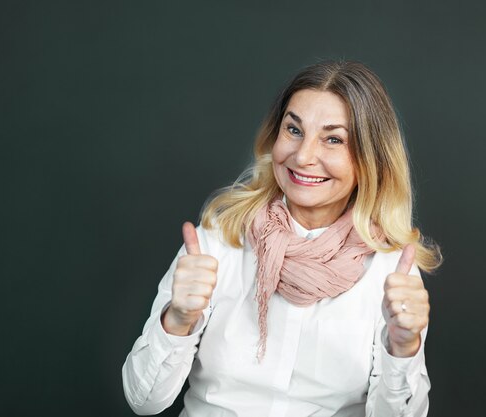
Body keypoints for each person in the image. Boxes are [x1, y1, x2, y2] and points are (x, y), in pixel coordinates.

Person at [122, 60, 442, 417]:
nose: (303, 156)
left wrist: (403, 347)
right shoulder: (218, 240)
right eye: (293, 130)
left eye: (333, 139)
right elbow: (143, 400)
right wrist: (177, 321)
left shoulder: (390, 271)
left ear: (371, 159)